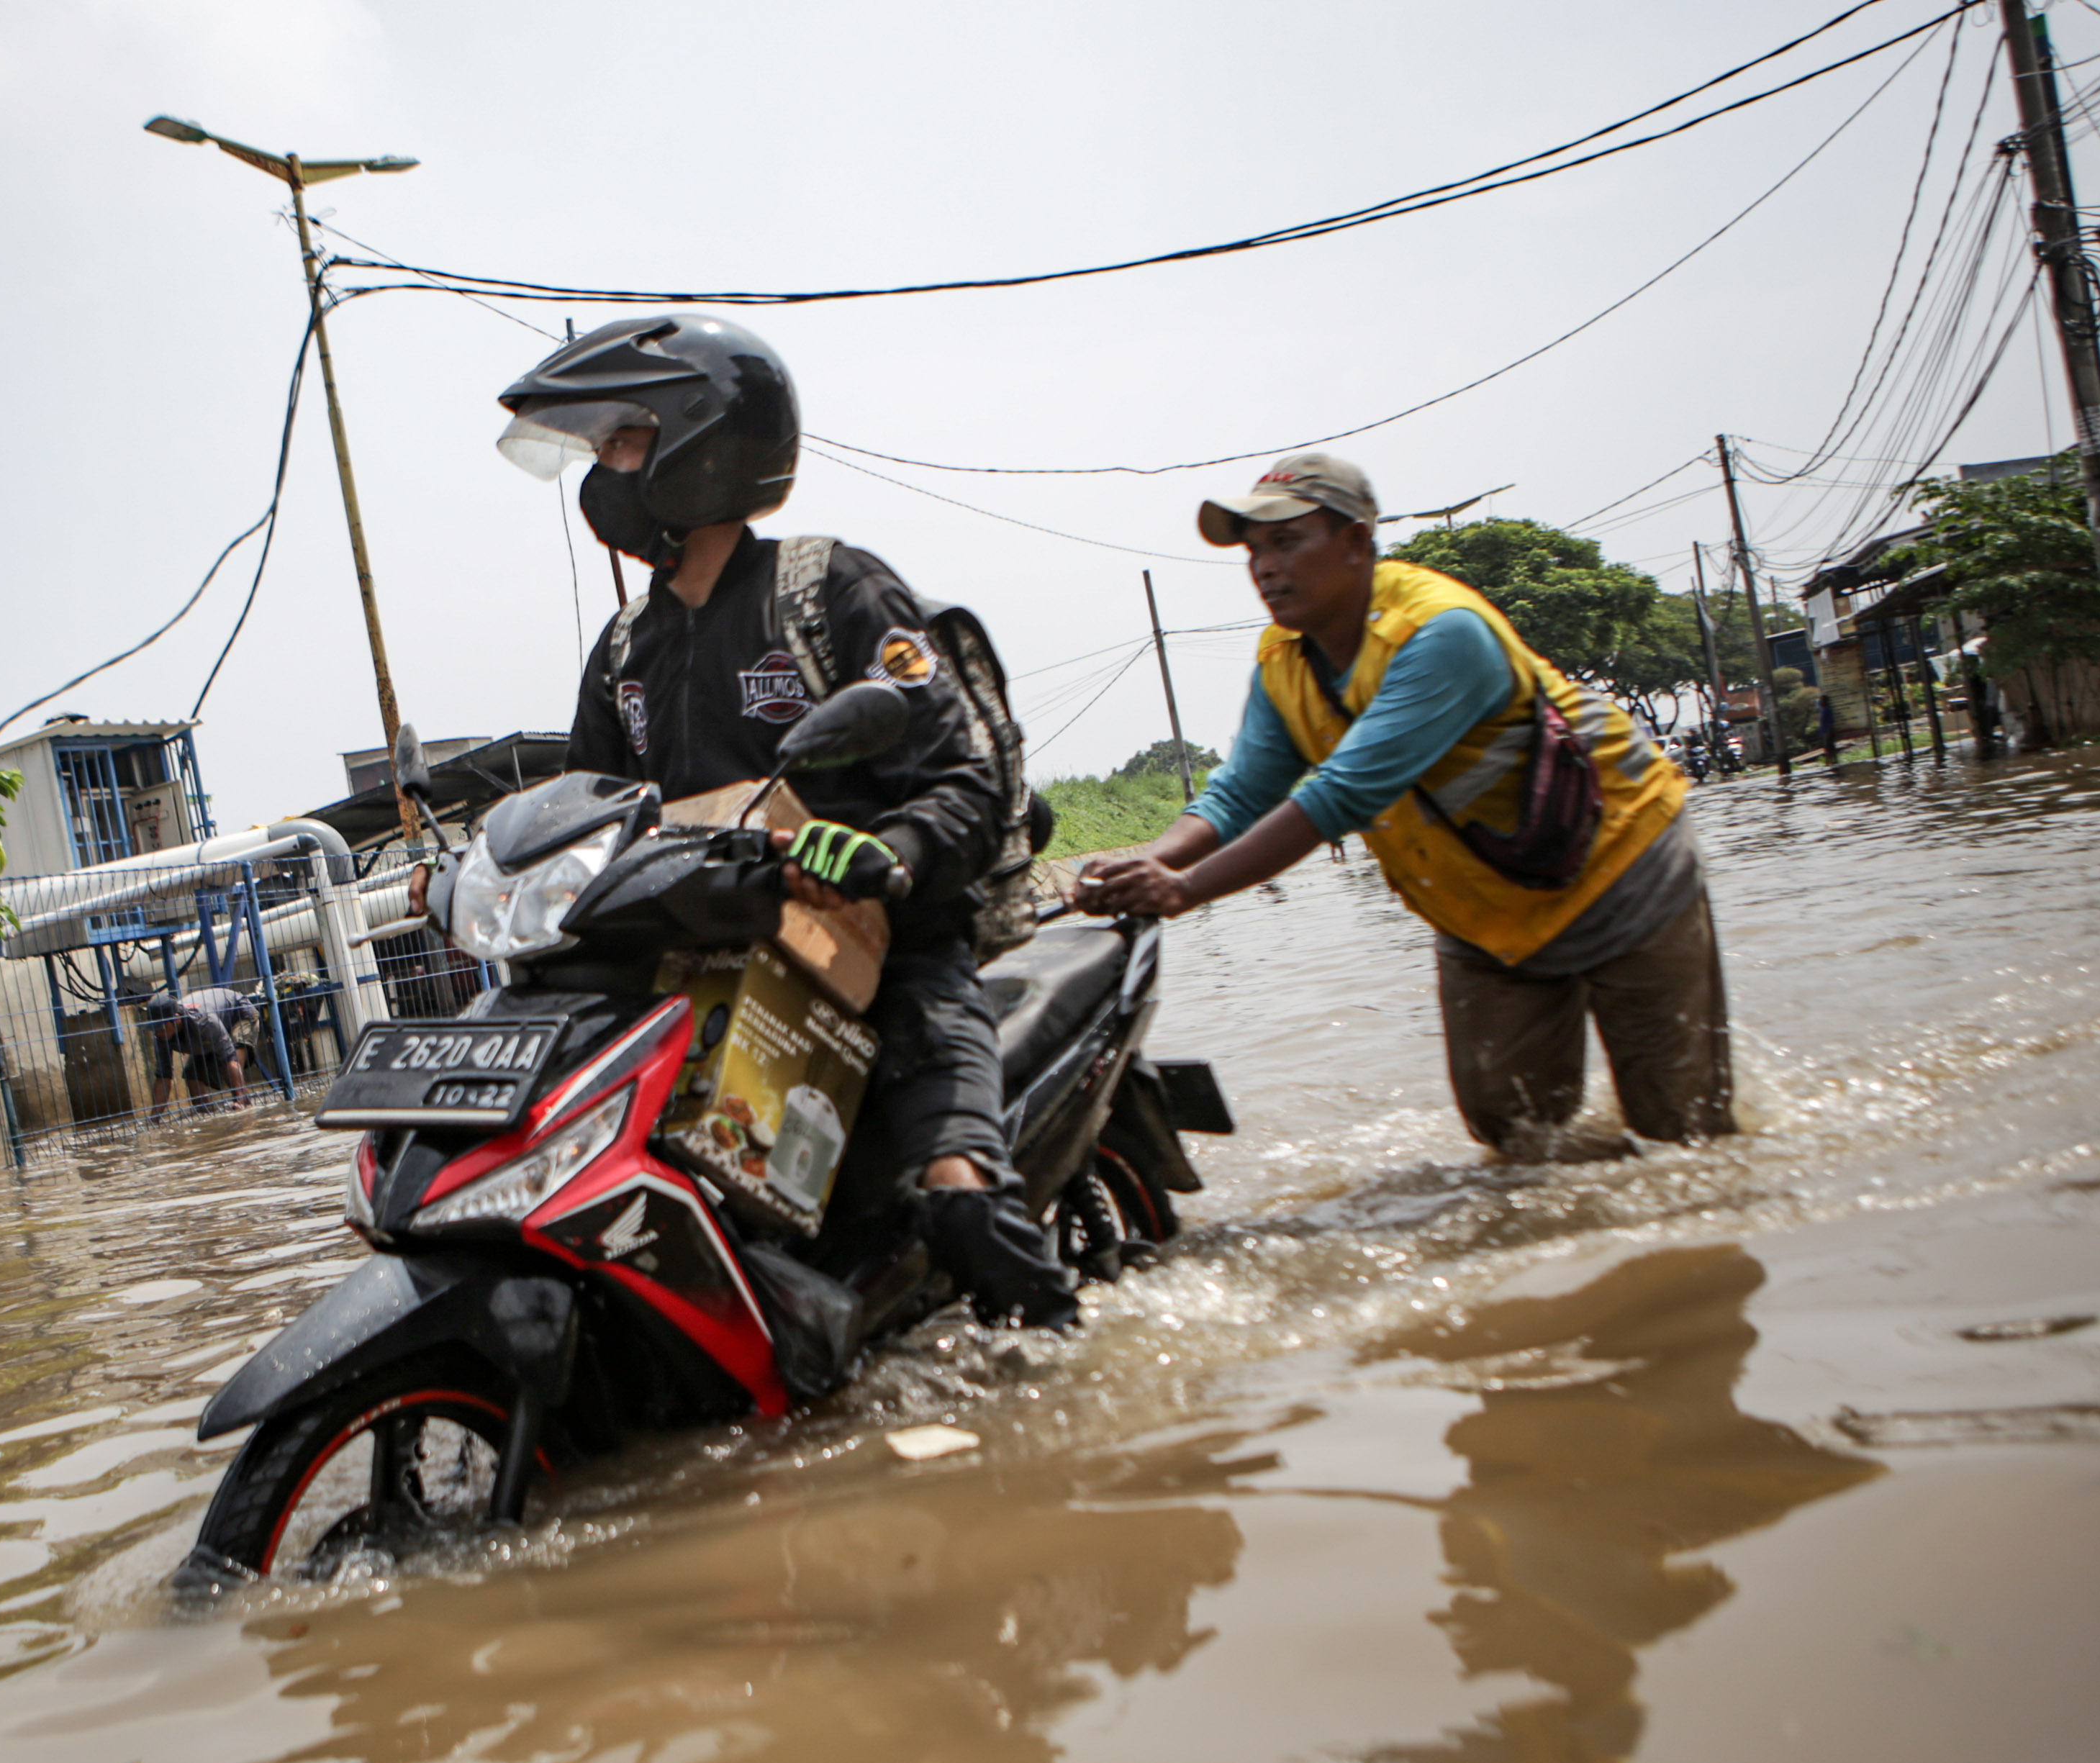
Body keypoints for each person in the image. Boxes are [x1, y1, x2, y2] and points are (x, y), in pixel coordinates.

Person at [494, 312, 1080, 1329]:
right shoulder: (624, 650)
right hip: (707, 976)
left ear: (702, 444)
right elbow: (585, 816)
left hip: (885, 963)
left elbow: (965, 776)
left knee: (958, 1202)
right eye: (595, 452)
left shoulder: (832, 591)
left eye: (621, 443)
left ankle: (1082, 1387)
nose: (603, 472)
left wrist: (888, 850)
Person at [1076, 453, 1733, 1159]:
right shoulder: (1283, 658)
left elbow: (1343, 794)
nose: (1264, 568)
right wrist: (1145, 859)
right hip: (1481, 910)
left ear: (1357, 541)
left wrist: (1182, 890)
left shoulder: (1441, 633)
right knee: (1515, 1136)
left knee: (1682, 1133)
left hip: (1621, 870)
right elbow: (1240, 790)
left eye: (1286, 542)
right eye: (1253, 550)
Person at [145, 985, 254, 1118]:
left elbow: (229, 1058)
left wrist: (239, 1100)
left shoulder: (204, 1021)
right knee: (192, 1075)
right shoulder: (161, 1036)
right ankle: (208, 1117)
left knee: (231, 1058)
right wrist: (153, 1120)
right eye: (154, 1028)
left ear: (176, 1019)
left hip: (239, 1013)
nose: (157, 1032)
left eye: (160, 1027)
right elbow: (164, 1076)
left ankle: (244, 1106)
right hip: (210, 1032)